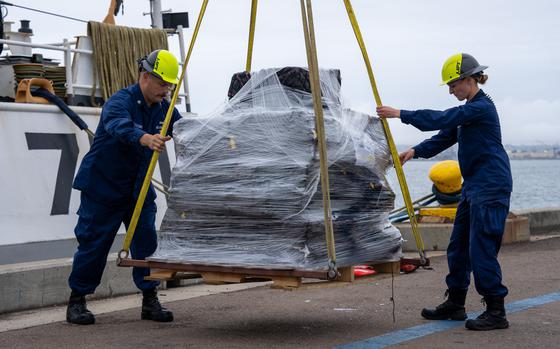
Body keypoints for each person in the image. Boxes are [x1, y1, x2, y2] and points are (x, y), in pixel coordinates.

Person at [377, 53, 512, 331]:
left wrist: (400, 114)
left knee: (481, 248)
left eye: (453, 85)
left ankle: (496, 311)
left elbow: (440, 119)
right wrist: (416, 151)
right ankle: (456, 303)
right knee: (459, 246)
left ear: (469, 79)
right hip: (473, 186)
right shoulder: (468, 112)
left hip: (491, 185)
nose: (451, 90)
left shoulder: (480, 108)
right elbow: (444, 134)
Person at [66, 49, 183, 325]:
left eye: (170, 85)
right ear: (145, 77)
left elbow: (187, 128)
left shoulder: (165, 108)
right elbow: (119, 125)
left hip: (137, 189)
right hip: (102, 187)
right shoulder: (120, 101)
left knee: (147, 243)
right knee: (93, 244)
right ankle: (77, 300)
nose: (166, 90)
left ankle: (149, 300)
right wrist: (144, 138)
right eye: (163, 84)